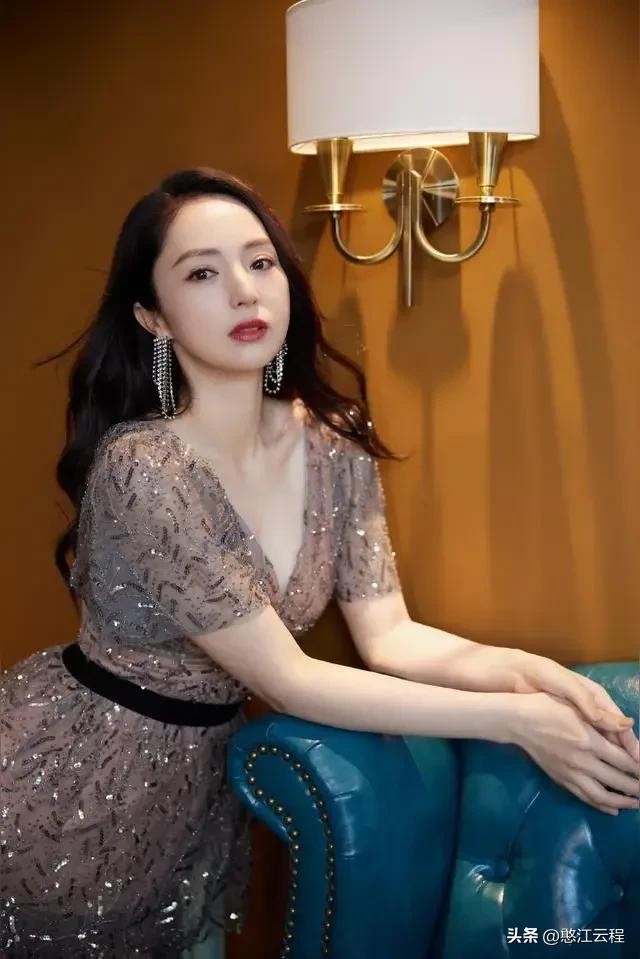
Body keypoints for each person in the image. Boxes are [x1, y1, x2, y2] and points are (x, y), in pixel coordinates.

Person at [1, 167, 638, 959]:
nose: (244, 291)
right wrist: (515, 721)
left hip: (197, 793)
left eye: (260, 261)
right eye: (201, 273)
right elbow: (291, 680)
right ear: (152, 316)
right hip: (69, 788)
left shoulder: (333, 443)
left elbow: (391, 636)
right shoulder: (146, 469)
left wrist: (535, 676)